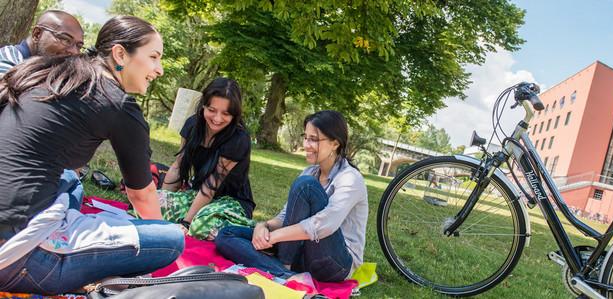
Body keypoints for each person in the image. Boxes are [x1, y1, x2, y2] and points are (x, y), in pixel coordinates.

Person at [0, 16, 184, 294]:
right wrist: (154, 233)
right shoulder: (117, 103)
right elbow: (141, 195)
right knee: (170, 239)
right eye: (154, 57)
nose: (158, 70)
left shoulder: (55, 72)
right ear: (120, 54)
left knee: (72, 184)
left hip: (11, 222)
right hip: (18, 255)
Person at [216, 110, 369, 283]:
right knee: (227, 234)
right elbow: (286, 215)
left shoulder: (350, 179)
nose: (306, 144)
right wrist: (263, 226)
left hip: (335, 263)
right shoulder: (311, 172)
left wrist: (274, 237)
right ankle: (285, 274)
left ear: (334, 143)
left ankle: (281, 266)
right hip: (302, 252)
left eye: (314, 139)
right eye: (306, 137)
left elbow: (323, 226)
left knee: (305, 186)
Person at [160, 77, 256, 240]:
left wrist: (186, 223)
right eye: (212, 110)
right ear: (203, 105)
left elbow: (211, 186)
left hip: (232, 201)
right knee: (150, 204)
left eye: (226, 113)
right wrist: (163, 197)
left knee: (198, 227)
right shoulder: (192, 125)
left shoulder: (239, 138)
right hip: (198, 194)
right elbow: (178, 166)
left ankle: (248, 228)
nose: (217, 119)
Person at [0, 10, 84, 77]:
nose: (74, 52)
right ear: (37, 34)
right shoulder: (7, 59)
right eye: (66, 40)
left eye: (78, 46)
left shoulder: (44, 69)